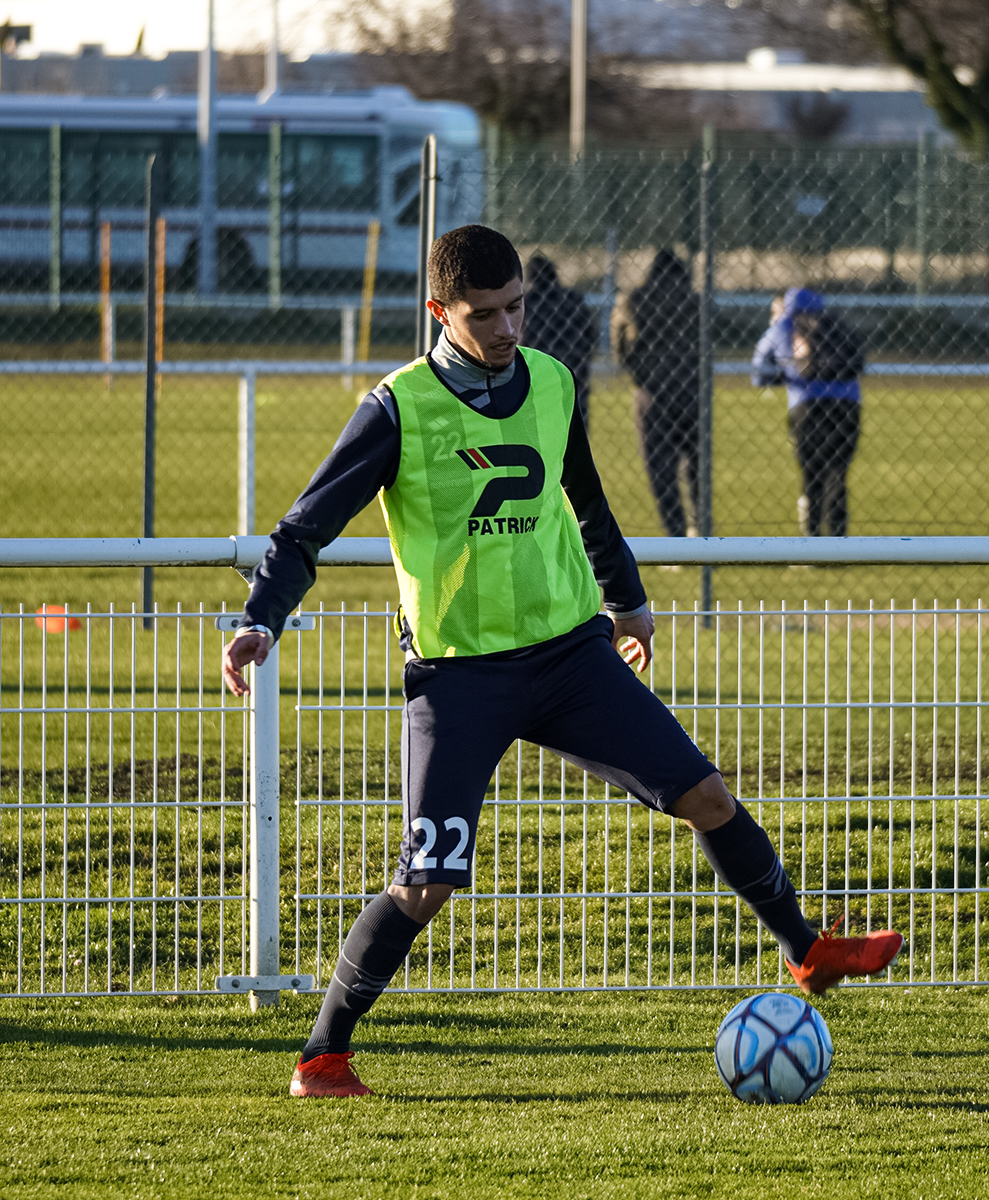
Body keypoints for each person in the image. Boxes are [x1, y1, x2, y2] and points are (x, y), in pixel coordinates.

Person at [221, 224, 903, 1100]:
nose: (508, 327)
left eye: (516, 308)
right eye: (486, 314)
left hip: (572, 655)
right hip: (460, 676)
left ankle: (807, 950)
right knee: (426, 885)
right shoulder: (398, 407)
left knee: (707, 797)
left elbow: (586, 499)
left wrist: (630, 602)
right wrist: (260, 621)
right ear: (441, 311)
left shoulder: (550, 381)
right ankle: (322, 1057)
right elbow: (302, 530)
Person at [752, 287, 864, 537]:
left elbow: (759, 370)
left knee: (812, 476)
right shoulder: (836, 325)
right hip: (847, 405)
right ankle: (838, 543)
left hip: (807, 406)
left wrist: (781, 377)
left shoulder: (783, 326)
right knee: (837, 475)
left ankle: (811, 543)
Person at [613, 248, 700, 537]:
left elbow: (621, 344)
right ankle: (701, 527)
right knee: (699, 464)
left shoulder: (635, 300)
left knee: (660, 467)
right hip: (692, 389)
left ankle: (675, 535)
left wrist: (636, 370)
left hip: (652, 390)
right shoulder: (694, 301)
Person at [520, 255, 596, 425]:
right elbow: (590, 337)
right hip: (575, 373)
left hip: (539, 378)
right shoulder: (575, 299)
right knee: (577, 429)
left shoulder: (526, 303)